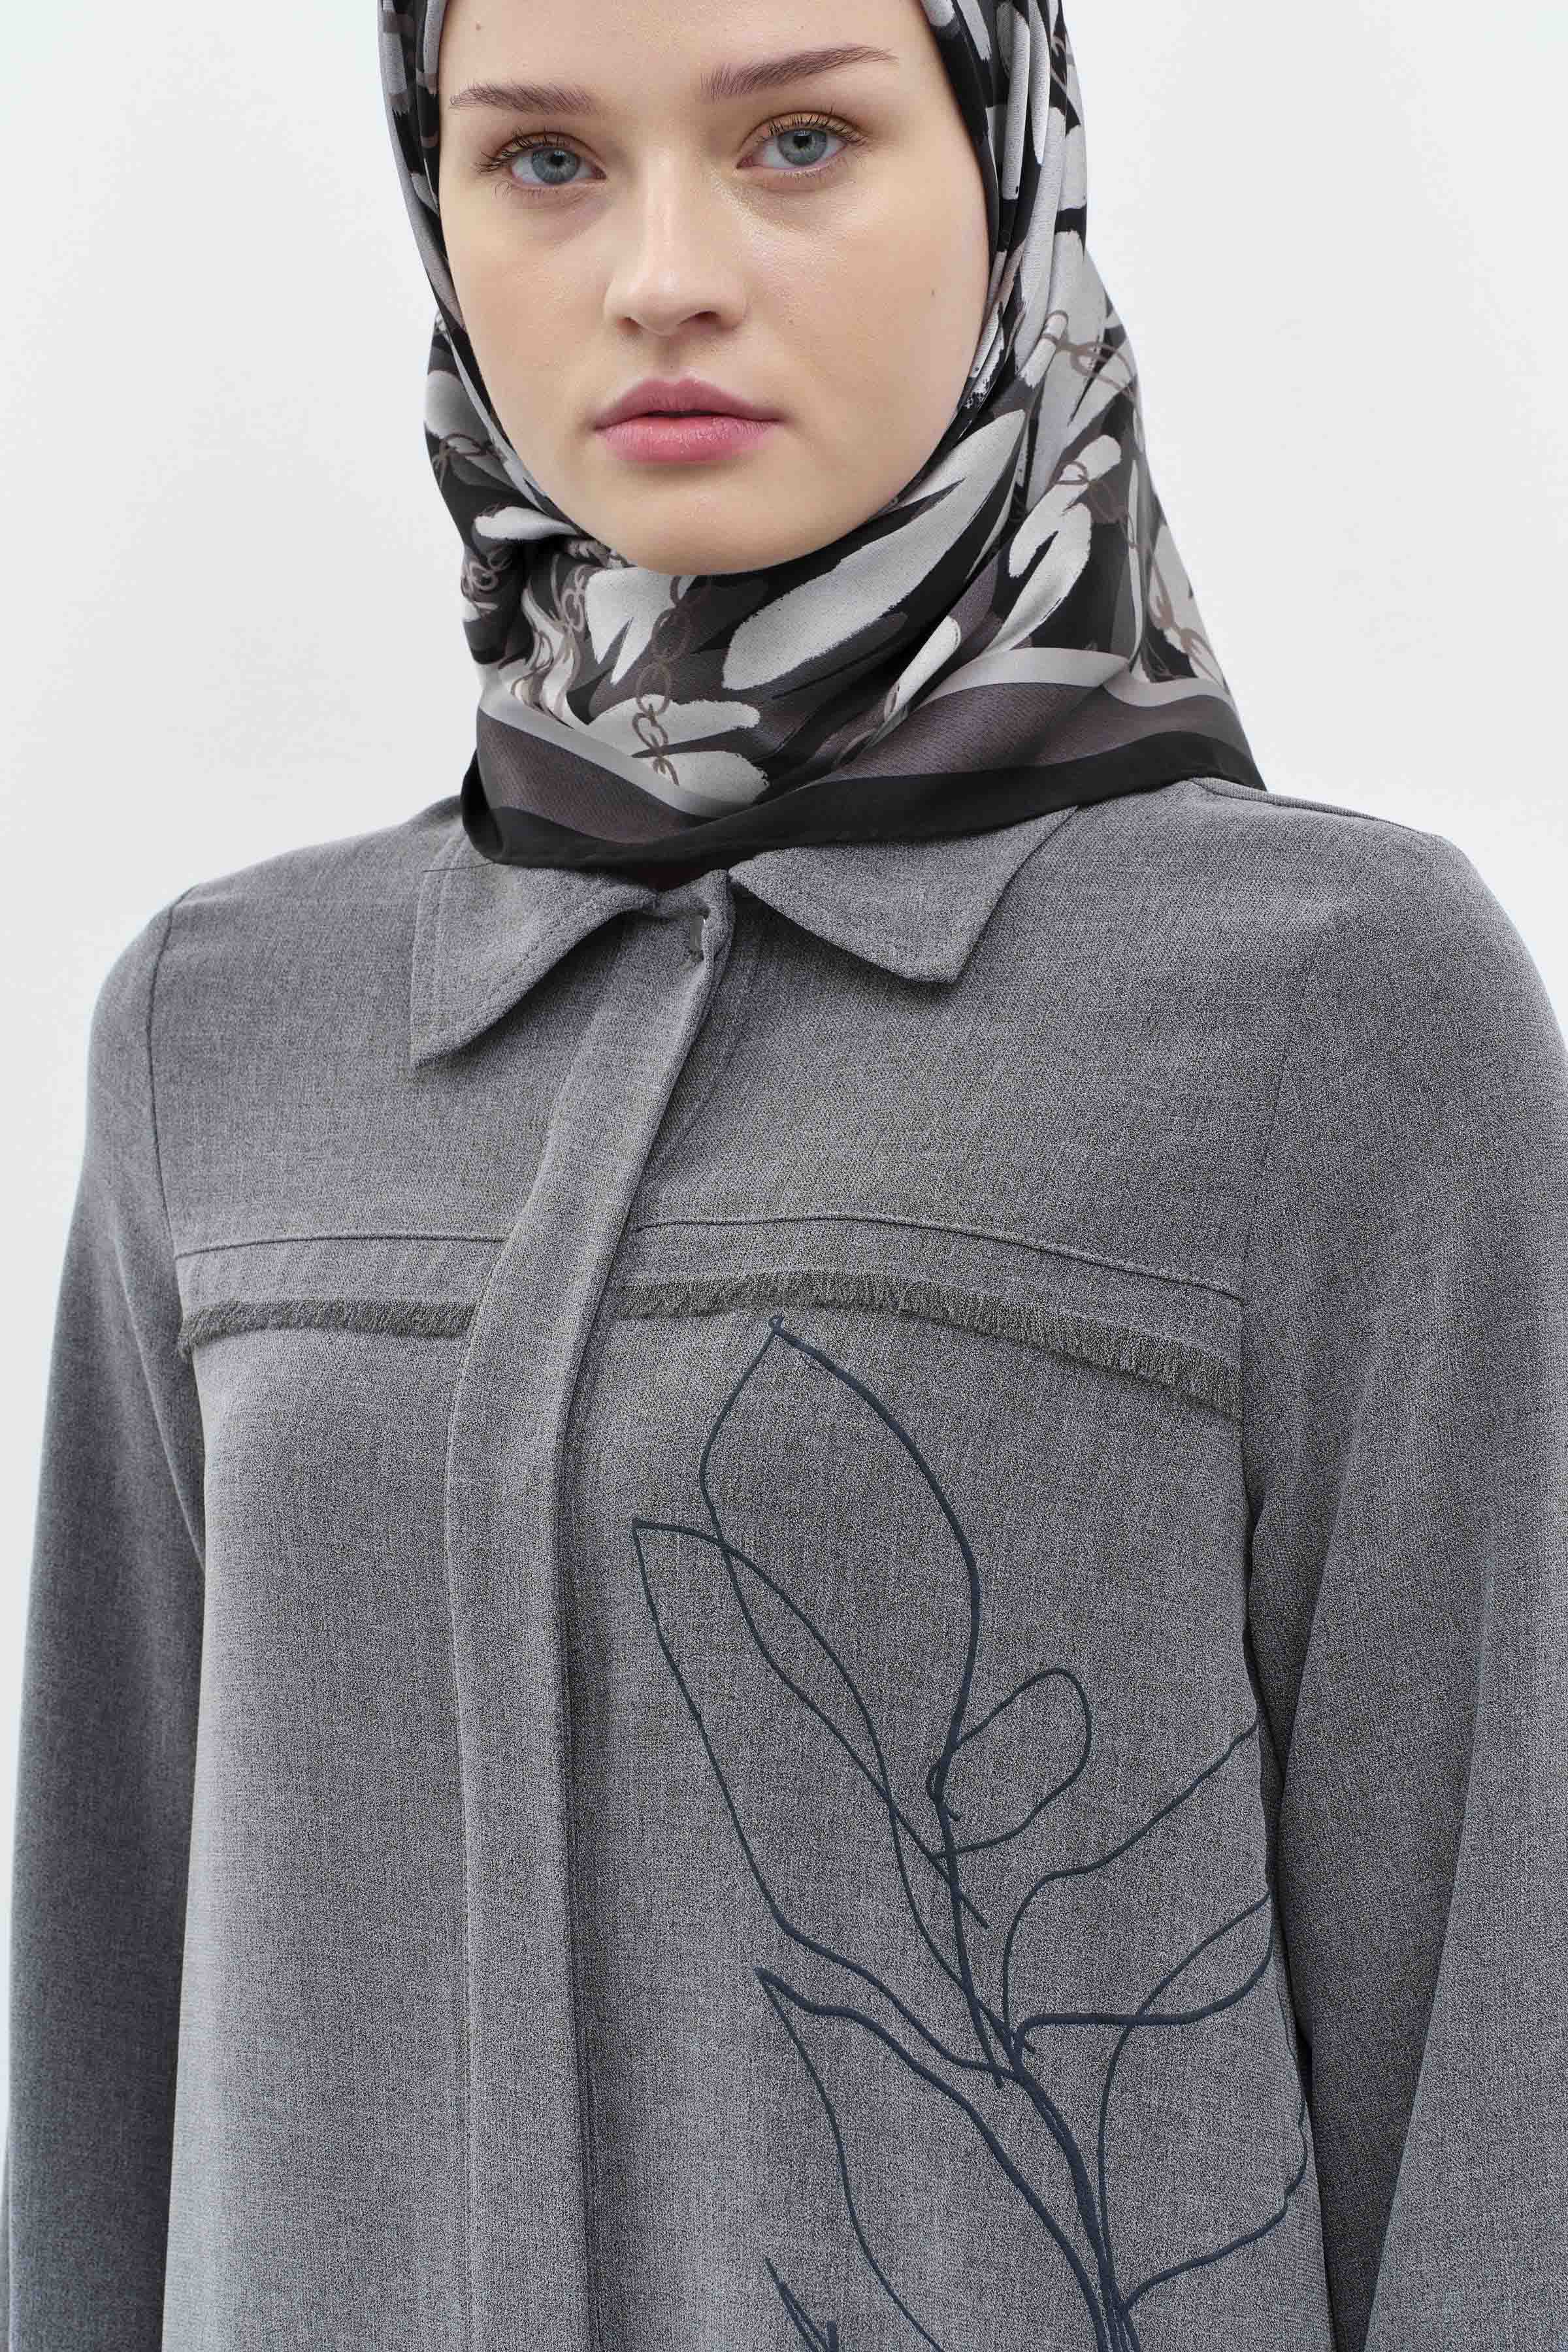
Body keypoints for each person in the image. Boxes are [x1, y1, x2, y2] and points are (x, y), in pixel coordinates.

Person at [5, 0, 1564, 2345]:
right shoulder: (216, 1032)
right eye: (545, 161)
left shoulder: (1330, 1008)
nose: (663, 275)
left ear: (1008, 168)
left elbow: (1504, 2095)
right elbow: (96, 2079)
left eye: (802, 138)